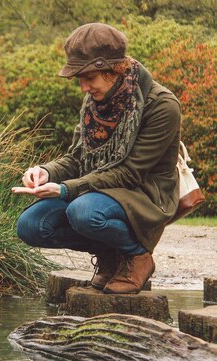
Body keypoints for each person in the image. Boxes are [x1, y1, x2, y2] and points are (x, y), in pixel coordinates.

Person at [12, 22, 181, 294]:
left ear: (113, 70)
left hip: (143, 193)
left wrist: (67, 189)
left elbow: (130, 173)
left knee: (83, 211)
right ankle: (111, 255)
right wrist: (47, 172)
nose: (83, 88)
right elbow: (77, 159)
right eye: (79, 79)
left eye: (88, 78)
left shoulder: (161, 105)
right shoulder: (95, 101)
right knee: (30, 225)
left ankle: (138, 257)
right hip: (98, 189)